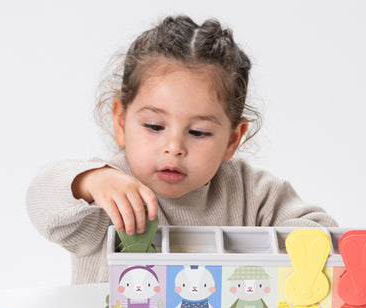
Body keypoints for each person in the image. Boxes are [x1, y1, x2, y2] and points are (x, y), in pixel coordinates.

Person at [26, 15, 337, 284]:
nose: (174, 148)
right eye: (154, 127)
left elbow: (322, 234)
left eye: (198, 132)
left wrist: (263, 255)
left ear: (232, 139)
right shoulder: (106, 194)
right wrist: (89, 181)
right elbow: (43, 205)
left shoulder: (253, 193)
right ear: (120, 122)